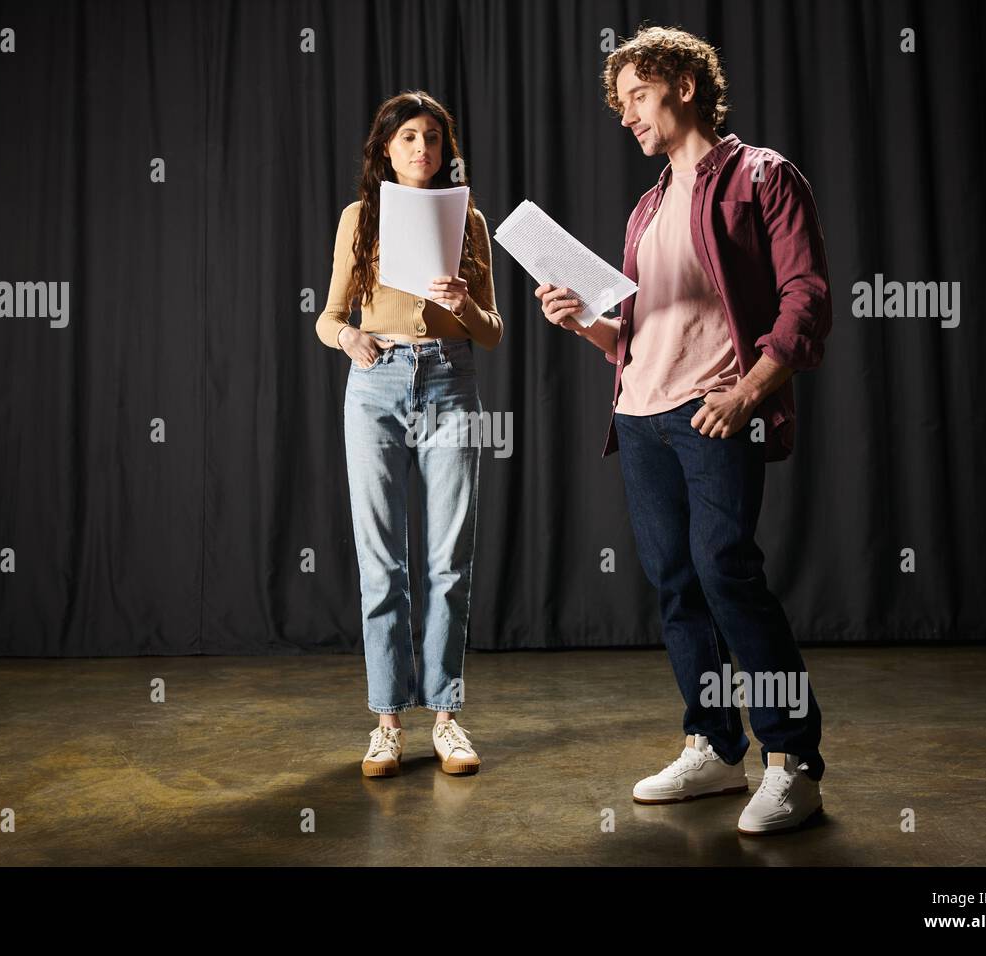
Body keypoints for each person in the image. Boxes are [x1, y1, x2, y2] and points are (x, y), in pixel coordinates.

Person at [536, 27, 833, 834]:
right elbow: (636, 337)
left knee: (726, 569)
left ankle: (793, 758)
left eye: (638, 95)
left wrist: (749, 392)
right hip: (640, 418)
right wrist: (584, 324)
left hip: (715, 411)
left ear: (686, 85)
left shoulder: (760, 176)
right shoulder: (645, 207)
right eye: (619, 103)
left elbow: (806, 299)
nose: (626, 115)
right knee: (677, 585)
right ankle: (712, 742)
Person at [315, 91, 503, 779]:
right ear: (386, 151)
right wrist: (349, 337)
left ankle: (447, 717)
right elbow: (328, 316)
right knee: (381, 560)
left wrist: (465, 304)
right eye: (407, 139)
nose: (421, 147)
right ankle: (387, 722)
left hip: (449, 380)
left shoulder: (469, 219)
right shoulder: (360, 219)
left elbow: (493, 330)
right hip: (376, 384)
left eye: (431, 137)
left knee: (449, 557)